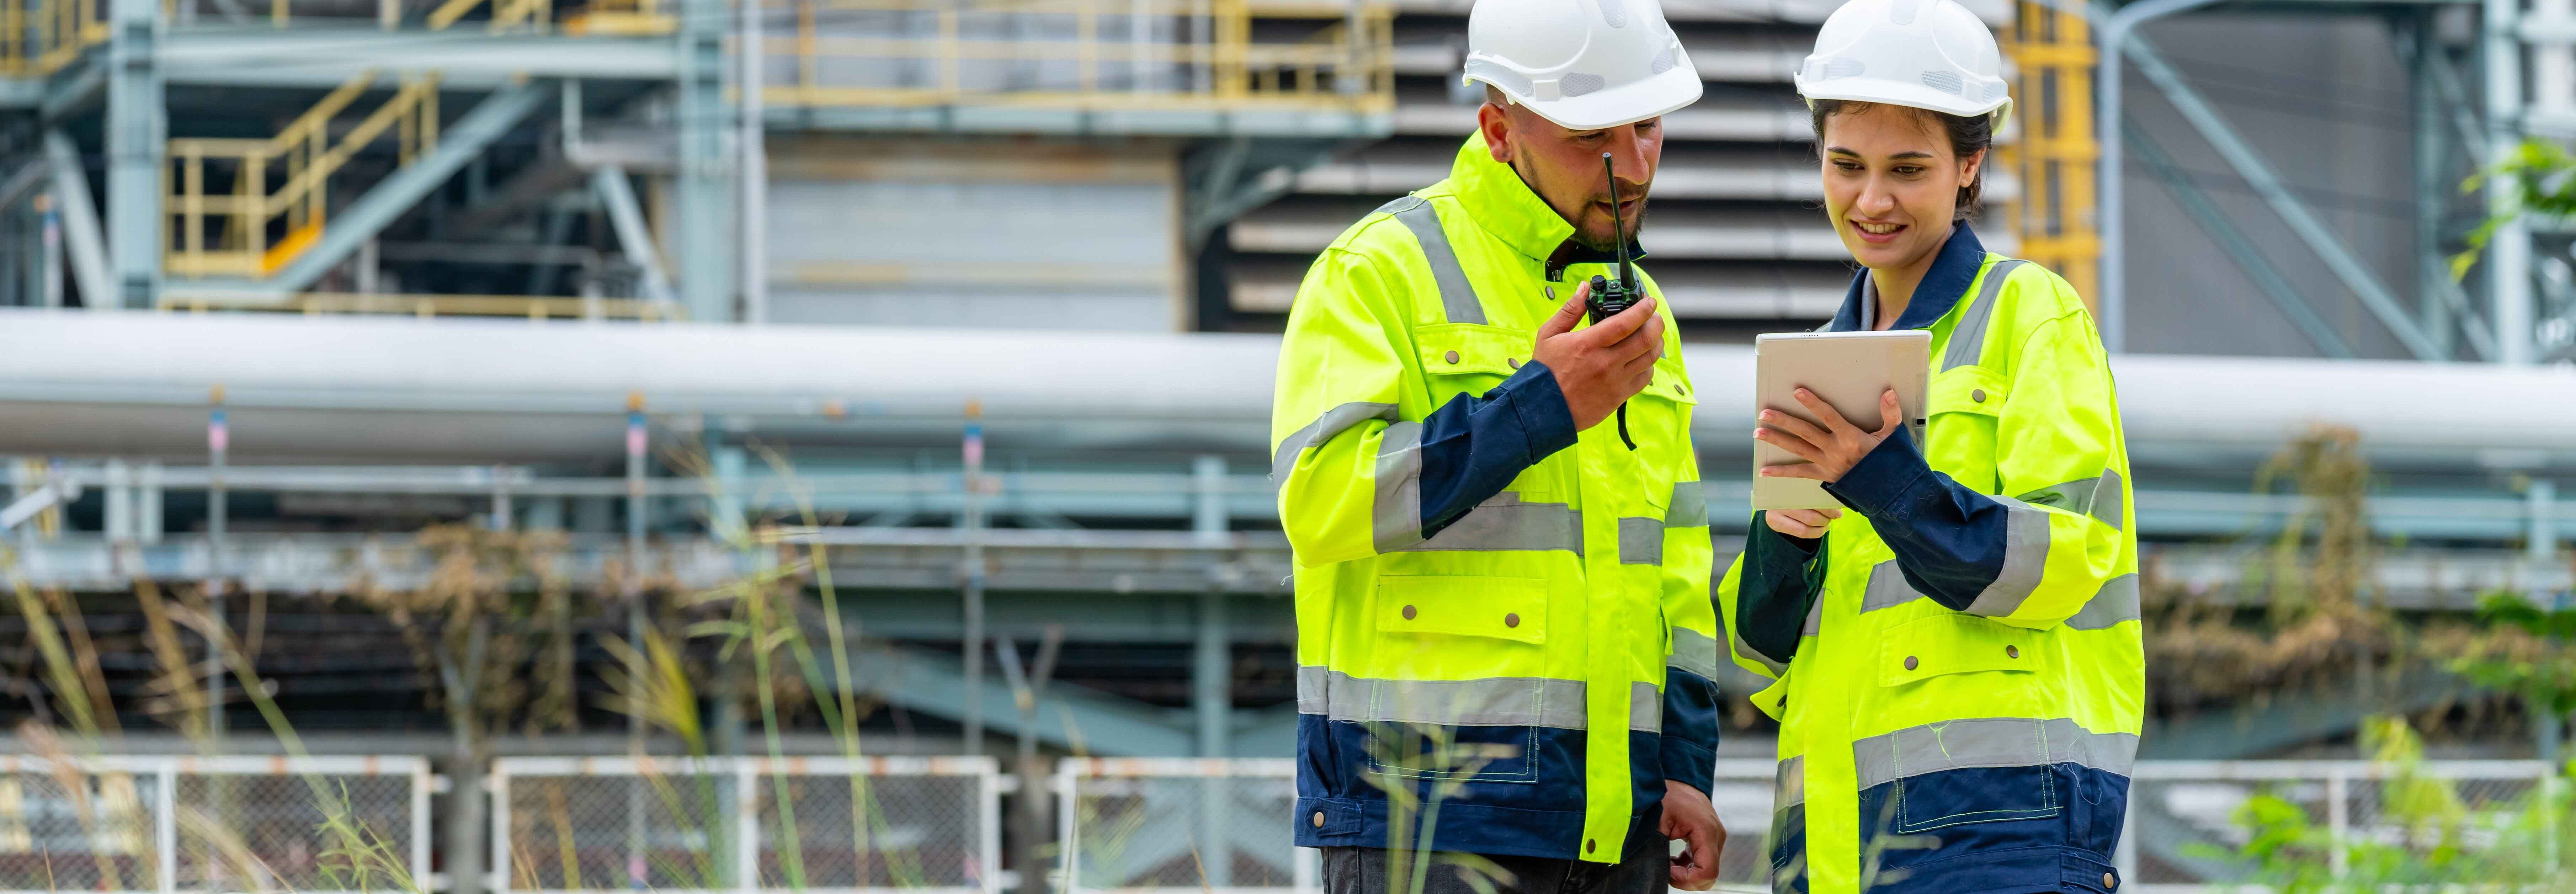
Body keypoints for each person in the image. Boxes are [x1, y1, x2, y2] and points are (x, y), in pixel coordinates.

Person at [1268, 0, 1728, 886]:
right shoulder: (1377, 272)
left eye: (1647, 128)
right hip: (1422, 816)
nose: (1633, 167)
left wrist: (1681, 766)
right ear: (1499, 131)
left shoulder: (1642, 312)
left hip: (1616, 827)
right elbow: (1320, 503)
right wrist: (1537, 406)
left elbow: (1672, 564)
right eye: (1592, 138)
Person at [1714, 0, 2144, 890]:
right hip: (1833, 841)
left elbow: (2067, 559)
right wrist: (1782, 542)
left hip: (1997, 828)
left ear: (1968, 166)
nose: (1871, 201)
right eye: (1846, 165)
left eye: (1907, 170)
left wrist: (1887, 485)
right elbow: (1758, 652)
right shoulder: (1815, 363)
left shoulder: (2031, 315)